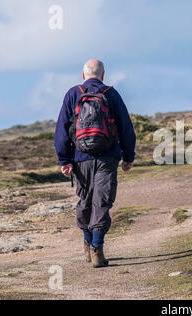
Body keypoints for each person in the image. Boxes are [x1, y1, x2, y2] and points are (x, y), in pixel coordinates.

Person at [54, 59, 136, 268]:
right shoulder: (111, 93)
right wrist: (128, 156)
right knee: (103, 201)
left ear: (83, 75)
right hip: (107, 157)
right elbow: (126, 127)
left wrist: (65, 159)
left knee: (86, 200)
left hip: (80, 159)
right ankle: (97, 248)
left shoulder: (73, 94)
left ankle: (88, 242)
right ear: (103, 75)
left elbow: (62, 130)